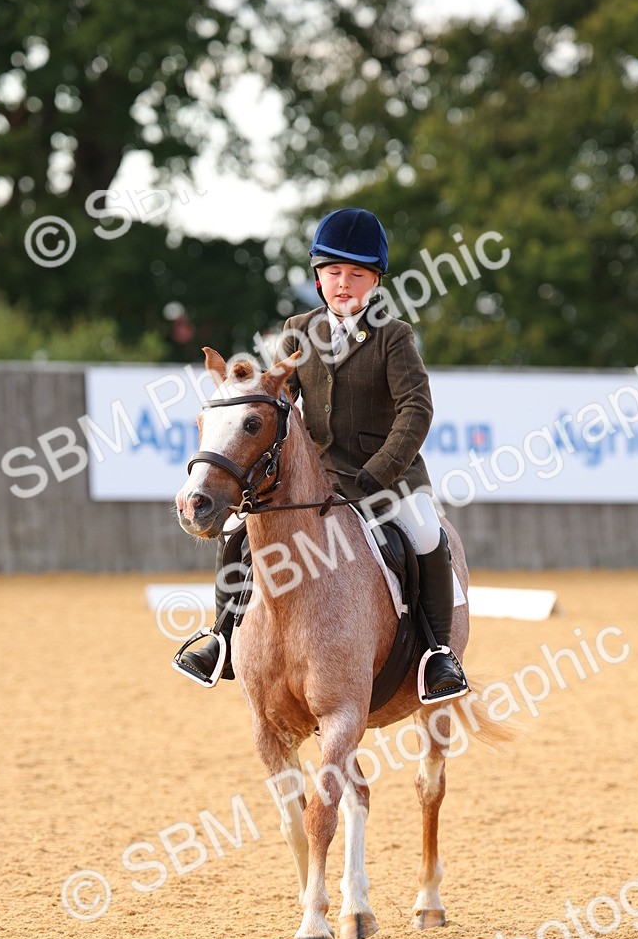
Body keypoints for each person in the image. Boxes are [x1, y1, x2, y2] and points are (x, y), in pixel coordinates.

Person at [179, 206, 469, 701]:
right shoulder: (297, 328)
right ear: (318, 278)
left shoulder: (393, 337)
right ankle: (221, 637)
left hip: (387, 477)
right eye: (334, 272)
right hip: (316, 478)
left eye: (357, 274)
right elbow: (280, 405)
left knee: (424, 533)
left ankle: (438, 656)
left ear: (374, 281)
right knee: (235, 531)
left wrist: (380, 472)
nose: (344, 283)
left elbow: (416, 410)